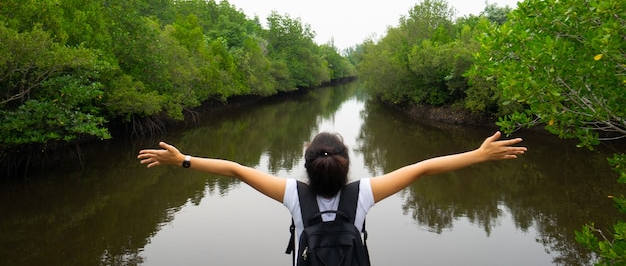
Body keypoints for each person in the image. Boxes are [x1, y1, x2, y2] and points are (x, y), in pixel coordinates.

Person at [137, 130, 526, 258]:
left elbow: (235, 169)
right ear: (345, 162)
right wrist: (479, 154)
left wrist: (182, 159)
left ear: (307, 164)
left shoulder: (292, 194)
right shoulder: (366, 194)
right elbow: (424, 167)